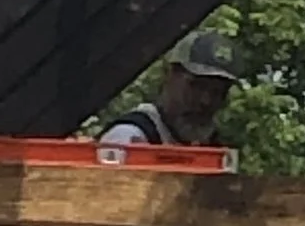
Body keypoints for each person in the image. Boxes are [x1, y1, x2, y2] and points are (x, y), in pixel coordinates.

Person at [96, 26, 241, 150]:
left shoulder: (210, 147)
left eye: (218, 92)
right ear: (170, 75)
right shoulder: (130, 137)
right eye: (197, 86)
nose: (206, 101)